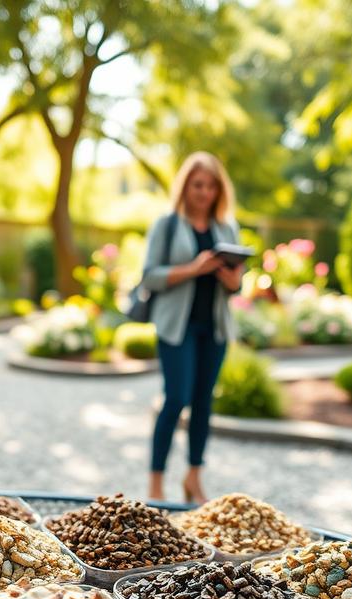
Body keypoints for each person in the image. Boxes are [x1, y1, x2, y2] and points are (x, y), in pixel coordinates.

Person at [140, 152, 244, 503]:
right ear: (186, 186)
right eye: (198, 184)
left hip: (213, 329)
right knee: (176, 399)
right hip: (176, 328)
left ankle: (193, 478)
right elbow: (149, 277)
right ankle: (156, 483)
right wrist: (194, 269)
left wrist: (232, 280)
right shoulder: (167, 224)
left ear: (219, 190)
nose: (204, 192)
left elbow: (236, 288)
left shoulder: (227, 228)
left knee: (203, 402)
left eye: (211, 186)